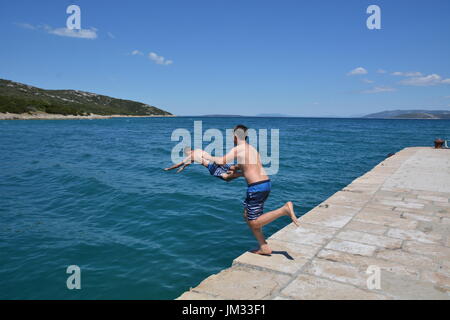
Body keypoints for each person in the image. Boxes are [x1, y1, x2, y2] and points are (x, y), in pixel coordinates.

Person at [201, 124, 299, 255]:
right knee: (247, 215)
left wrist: (206, 156)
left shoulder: (238, 149)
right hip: (265, 183)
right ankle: (264, 247)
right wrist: (236, 167)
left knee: (254, 223)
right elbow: (249, 166)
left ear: (235, 137)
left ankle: (284, 210)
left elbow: (221, 161)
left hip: (256, 187)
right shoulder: (251, 149)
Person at [164, 147, 242, 181]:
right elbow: (192, 160)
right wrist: (184, 167)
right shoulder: (198, 150)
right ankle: (246, 166)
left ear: (188, 152)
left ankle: (242, 174)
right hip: (216, 159)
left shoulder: (190, 156)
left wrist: (169, 168)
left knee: (226, 178)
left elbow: (178, 164)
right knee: (233, 167)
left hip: (211, 166)